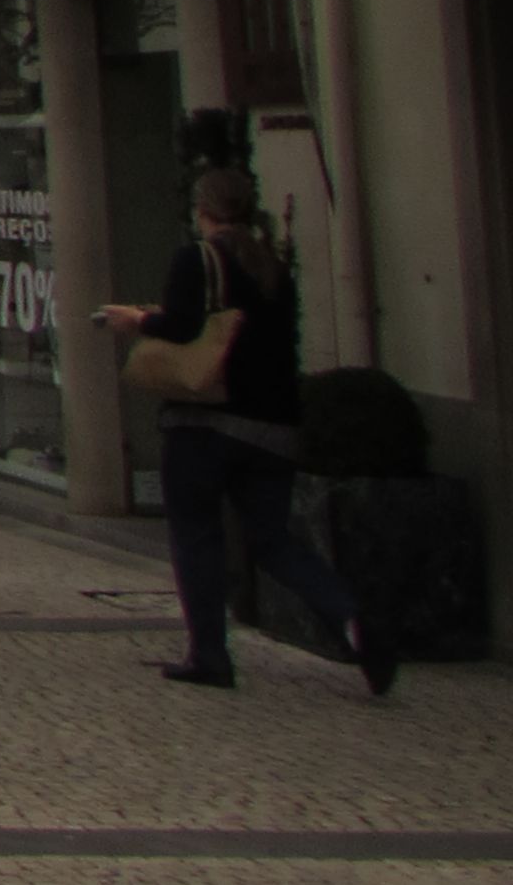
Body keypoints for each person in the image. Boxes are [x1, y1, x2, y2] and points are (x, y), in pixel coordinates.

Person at [96, 168, 393, 695]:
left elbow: (187, 328)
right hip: (272, 425)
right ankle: (351, 620)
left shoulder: (198, 258)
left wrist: (137, 320)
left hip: (205, 423)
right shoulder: (274, 266)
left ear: (202, 209)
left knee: (197, 534)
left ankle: (209, 655)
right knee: (273, 540)